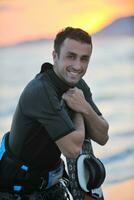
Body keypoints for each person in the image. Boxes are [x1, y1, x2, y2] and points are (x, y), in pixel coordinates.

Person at [0, 27, 109, 200]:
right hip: (16, 191)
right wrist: (80, 110)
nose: (77, 66)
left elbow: (103, 135)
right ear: (55, 56)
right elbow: (72, 149)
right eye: (71, 56)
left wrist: (85, 107)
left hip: (53, 186)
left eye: (84, 59)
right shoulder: (41, 90)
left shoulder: (79, 86)